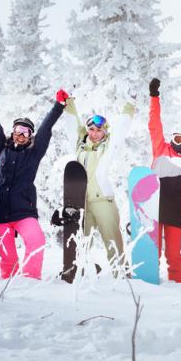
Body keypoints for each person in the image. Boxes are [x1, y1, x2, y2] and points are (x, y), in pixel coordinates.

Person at [0, 82, 68, 279]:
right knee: (7, 256)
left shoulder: (33, 154)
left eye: (26, 131)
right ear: (12, 131)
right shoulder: (1, 148)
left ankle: (31, 279)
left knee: (37, 241)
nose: (21, 134)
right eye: (18, 129)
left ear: (30, 136)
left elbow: (46, 128)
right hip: (1, 213)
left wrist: (58, 105)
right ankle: (8, 282)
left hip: (24, 211)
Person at [64, 96, 134, 270]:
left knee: (112, 242)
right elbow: (72, 127)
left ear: (104, 131)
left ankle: (122, 275)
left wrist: (129, 107)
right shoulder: (79, 146)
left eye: (99, 130)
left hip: (103, 200)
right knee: (80, 242)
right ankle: (77, 273)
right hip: (82, 203)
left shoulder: (108, 147)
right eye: (91, 129)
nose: (94, 133)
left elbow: (120, 131)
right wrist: (69, 104)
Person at [148, 78, 181, 283]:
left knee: (173, 254)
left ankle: (177, 285)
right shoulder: (161, 149)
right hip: (154, 207)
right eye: (178, 139)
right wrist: (154, 98)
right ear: (172, 138)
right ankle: (149, 285)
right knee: (153, 252)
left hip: (176, 212)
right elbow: (154, 125)